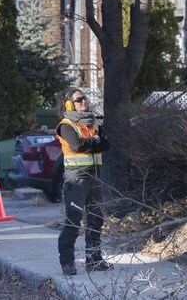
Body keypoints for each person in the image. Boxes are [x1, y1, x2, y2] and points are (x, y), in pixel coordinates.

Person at [56, 88, 112, 276]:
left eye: (84, 99)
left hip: (94, 178)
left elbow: (106, 145)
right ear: (69, 104)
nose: (83, 102)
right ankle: (67, 262)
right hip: (76, 181)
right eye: (79, 100)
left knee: (96, 220)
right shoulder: (66, 125)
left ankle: (94, 259)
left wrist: (94, 141)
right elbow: (76, 145)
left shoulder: (93, 122)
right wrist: (96, 140)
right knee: (73, 222)